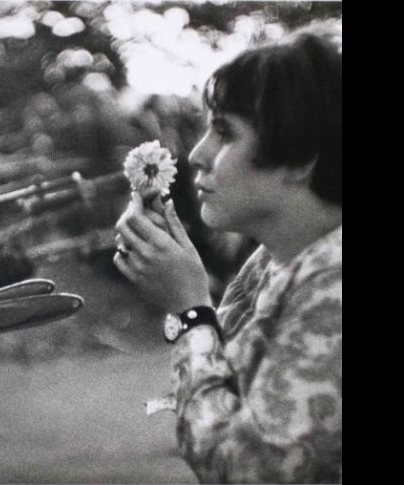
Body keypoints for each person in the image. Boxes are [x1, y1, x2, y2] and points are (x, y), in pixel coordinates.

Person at [113, 25, 341, 483]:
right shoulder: (273, 261)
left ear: (300, 158)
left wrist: (190, 312)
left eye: (224, 132)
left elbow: (250, 470)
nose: (198, 154)